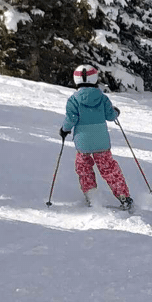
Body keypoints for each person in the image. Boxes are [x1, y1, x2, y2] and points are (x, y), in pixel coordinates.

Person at [60, 64, 133, 210]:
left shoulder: (73, 100)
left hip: (83, 141)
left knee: (84, 168)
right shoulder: (102, 98)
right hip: (101, 141)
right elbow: (110, 116)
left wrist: (64, 130)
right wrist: (116, 112)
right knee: (109, 168)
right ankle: (123, 196)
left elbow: (71, 119)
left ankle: (92, 198)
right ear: (94, 79)